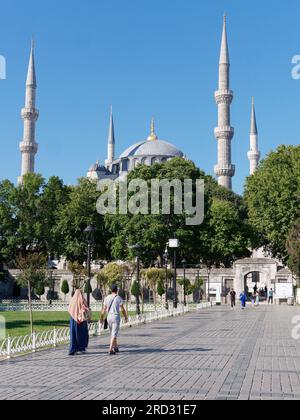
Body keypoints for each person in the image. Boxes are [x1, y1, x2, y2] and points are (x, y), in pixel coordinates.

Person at [101, 284, 128, 355]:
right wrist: (125, 317)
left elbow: (104, 309)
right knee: (114, 333)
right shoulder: (118, 298)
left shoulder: (107, 298)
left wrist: (101, 317)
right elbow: (122, 309)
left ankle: (115, 347)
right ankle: (110, 349)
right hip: (115, 317)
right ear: (117, 290)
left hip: (109, 317)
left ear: (111, 290)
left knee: (112, 332)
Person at [68, 289, 90, 356]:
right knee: (82, 334)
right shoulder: (82, 300)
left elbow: (70, 309)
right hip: (81, 320)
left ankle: (73, 349)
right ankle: (81, 348)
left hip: (73, 319)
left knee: (74, 334)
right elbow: (86, 308)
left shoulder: (72, 300)